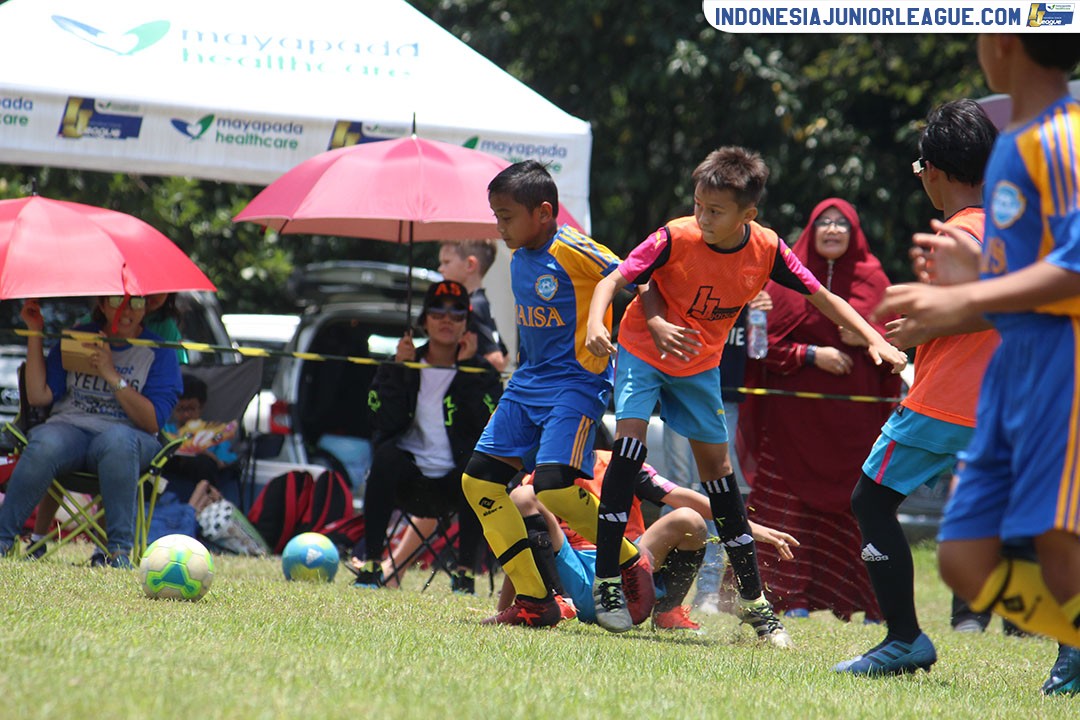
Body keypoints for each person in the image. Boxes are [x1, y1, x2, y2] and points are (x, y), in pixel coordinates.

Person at [585, 148, 906, 637]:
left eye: (715, 211)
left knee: (721, 479)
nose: (702, 217)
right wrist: (595, 324)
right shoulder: (674, 236)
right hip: (643, 352)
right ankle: (607, 579)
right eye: (698, 205)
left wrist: (875, 340)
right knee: (628, 449)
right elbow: (614, 279)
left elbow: (825, 297)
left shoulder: (767, 248)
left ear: (747, 215)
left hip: (699, 367)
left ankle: (756, 605)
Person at [875, 34, 1080, 681]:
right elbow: (1011, 287)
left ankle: (1066, 651)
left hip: (1039, 377)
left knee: (1050, 538)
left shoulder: (1061, 139)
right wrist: (955, 300)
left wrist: (964, 295)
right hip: (1006, 387)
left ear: (1005, 43)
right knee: (966, 560)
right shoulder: (1016, 151)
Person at [831, 99, 999, 676]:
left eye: (919, 166)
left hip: (947, 402)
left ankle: (904, 639)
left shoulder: (959, 233)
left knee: (871, 500)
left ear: (935, 171)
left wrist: (929, 325)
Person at [459, 160, 650, 627]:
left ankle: (630, 561)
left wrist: (654, 327)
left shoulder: (575, 248)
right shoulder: (520, 256)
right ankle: (535, 600)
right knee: (478, 481)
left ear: (543, 213)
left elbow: (635, 276)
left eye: (506, 216)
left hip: (577, 384)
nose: (499, 227)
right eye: (496, 216)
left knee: (554, 488)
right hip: (527, 384)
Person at [734, 197, 901, 623]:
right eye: (824, 222)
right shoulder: (789, 276)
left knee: (858, 509)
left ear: (854, 233)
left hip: (854, 428)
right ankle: (787, 598)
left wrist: (865, 336)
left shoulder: (873, 278)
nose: (832, 229)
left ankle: (871, 603)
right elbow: (762, 347)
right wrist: (811, 354)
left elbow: (897, 343)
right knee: (786, 508)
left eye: (841, 223)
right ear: (811, 229)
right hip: (792, 425)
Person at [496, 451, 800, 631]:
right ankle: (556, 603)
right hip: (571, 569)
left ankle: (668, 612)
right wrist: (507, 605)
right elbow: (523, 540)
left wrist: (746, 527)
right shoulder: (543, 472)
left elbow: (682, 497)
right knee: (522, 496)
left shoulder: (618, 463)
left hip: (629, 571)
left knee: (689, 519)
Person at [0, 295, 182, 567]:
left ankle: (117, 553)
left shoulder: (159, 351)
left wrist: (111, 374)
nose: (125, 310)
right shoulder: (77, 338)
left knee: (118, 441)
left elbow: (152, 422)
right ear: (102, 304)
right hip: (70, 429)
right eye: (117, 300)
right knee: (46, 440)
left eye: (135, 302)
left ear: (146, 307)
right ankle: (3, 540)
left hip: (128, 437)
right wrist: (35, 332)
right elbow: (38, 396)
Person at [352, 280, 502, 595]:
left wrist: (466, 371)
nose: (447, 319)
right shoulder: (400, 364)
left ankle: (465, 575)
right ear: (423, 320)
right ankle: (371, 565)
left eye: (457, 313)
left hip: (455, 484)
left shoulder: (482, 373)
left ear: (467, 324)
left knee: (478, 468)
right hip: (408, 481)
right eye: (437, 311)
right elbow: (380, 421)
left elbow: (485, 427)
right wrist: (399, 369)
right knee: (384, 458)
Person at [662, 289, 772, 614]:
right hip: (681, 390)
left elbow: (760, 351)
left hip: (725, 396)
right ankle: (661, 584)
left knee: (717, 492)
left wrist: (763, 316)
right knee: (675, 487)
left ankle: (707, 591)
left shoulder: (751, 290)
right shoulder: (695, 281)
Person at [160, 373, 240, 505]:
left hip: (201, 471)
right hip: (170, 469)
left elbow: (223, 464)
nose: (186, 414)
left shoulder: (213, 433)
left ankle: (208, 503)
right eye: (181, 409)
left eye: (191, 409)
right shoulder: (166, 430)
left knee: (203, 462)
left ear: (201, 407)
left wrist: (204, 453)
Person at [438, 239, 510, 371]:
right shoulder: (481, 301)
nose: (440, 269)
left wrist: (464, 364)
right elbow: (505, 356)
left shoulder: (471, 307)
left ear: (470, 265)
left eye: (446, 262)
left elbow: (496, 360)